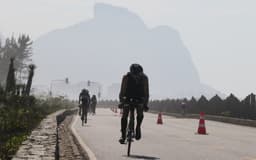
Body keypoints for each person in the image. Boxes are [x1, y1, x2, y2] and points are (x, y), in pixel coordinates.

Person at [118, 63, 149, 144]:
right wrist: (121, 101)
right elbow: (122, 91)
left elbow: (146, 93)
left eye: (138, 74)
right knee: (124, 115)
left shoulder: (145, 78)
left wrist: (145, 104)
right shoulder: (126, 78)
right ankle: (123, 134)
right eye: (134, 74)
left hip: (139, 98)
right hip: (127, 97)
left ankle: (138, 127)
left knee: (140, 112)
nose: (136, 76)